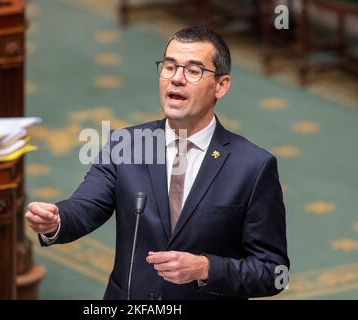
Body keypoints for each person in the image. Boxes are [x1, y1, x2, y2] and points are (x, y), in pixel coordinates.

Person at [25, 26, 289, 300]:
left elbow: (274, 272)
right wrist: (56, 220)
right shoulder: (125, 144)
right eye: (169, 67)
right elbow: (85, 208)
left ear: (221, 86)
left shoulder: (253, 167)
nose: (176, 79)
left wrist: (207, 268)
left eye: (193, 71)